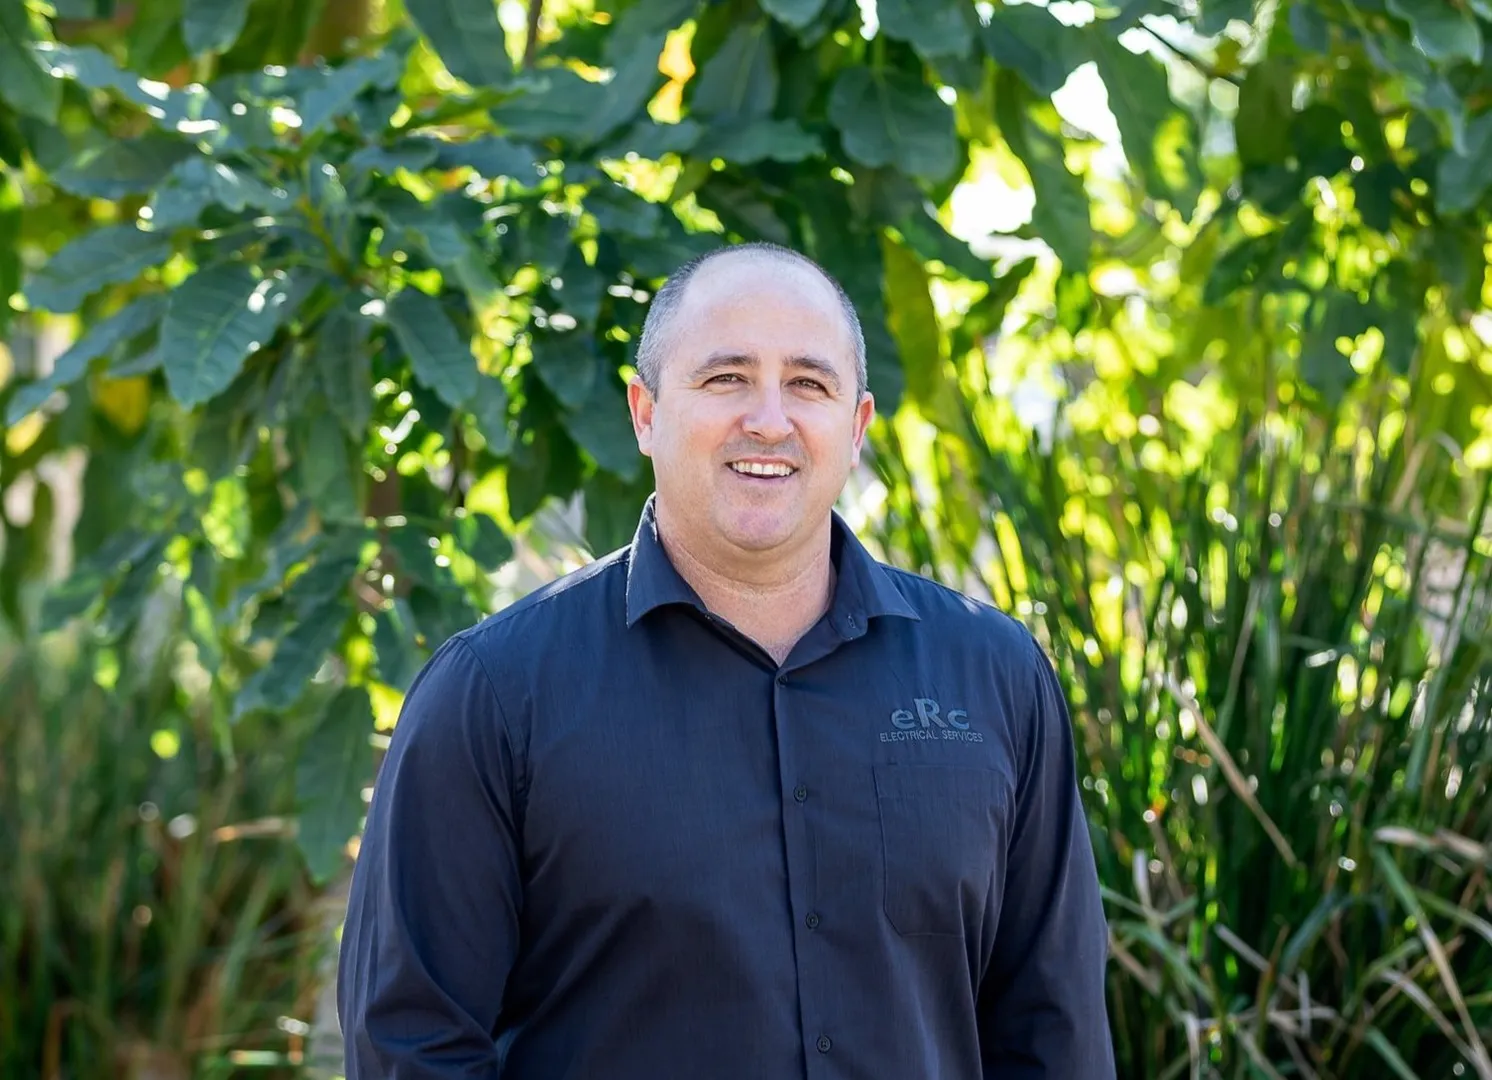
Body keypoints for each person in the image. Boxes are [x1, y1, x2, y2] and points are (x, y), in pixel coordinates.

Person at [337, 242, 1115, 1078]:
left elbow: (1053, 1031)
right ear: (645, 411)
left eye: (809, 385)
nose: (770, 419)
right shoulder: (492, 697)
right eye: (726, 378)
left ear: (855, 428)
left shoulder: (994, 677)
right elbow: (411, 1049)